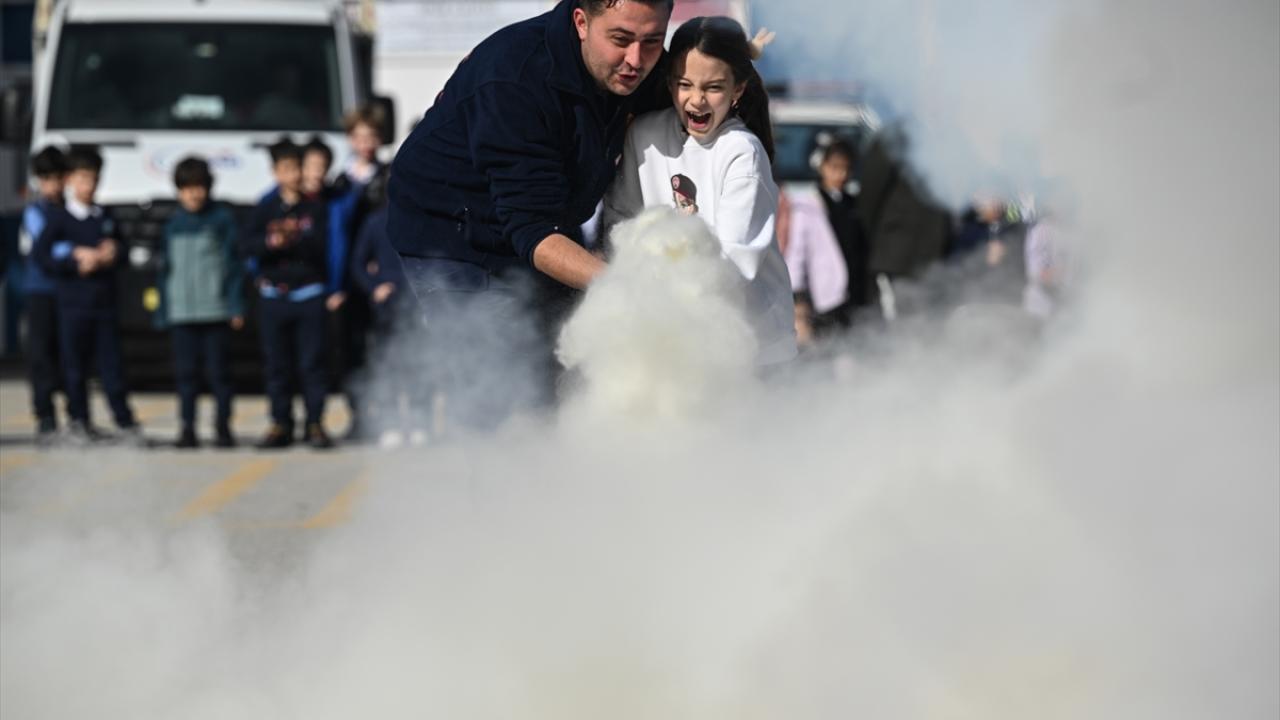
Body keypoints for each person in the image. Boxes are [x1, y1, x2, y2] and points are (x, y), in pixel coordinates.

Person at [386, 0, 673, 429]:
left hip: (544, 223)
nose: (636, 60)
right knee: (504, 386)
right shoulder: (515, 79)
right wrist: (629, 284)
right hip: (455, 238)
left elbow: (702, 79)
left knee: (576, 372)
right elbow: (534, 232)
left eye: (652, 41)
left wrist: (732, 56)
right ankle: (493, 459)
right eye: (621, 39)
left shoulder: (633, 62)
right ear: (581, 22)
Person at [603, 16, 796, 365]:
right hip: (669, 336)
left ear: (738, 90)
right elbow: (620, 221)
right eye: (685, 84)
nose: (696, 100)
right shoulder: (644, 134)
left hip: (753, 347)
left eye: (713, 87)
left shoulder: (741, 151)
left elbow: (734, 261)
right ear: (669, 83)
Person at [33, 146, 142, 446]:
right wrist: (74, 260)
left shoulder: (105, 216)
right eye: (82, 179)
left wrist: (113, 253)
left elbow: (125, 252)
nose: (88, 186)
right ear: (69, 180)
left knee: (112, 366)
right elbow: (41, 256)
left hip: (104, 304)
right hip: (72, 305)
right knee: (74, 367)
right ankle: (79, 421)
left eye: (93, 179)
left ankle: (124, 421)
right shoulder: (59, 219)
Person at [242, 138, 333, 450]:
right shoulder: (264, 208)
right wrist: (272, 242)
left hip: (309, 295)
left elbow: (323, 247)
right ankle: (280, 422)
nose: (292, 174)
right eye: (286, 169)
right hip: (274, 297)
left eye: (297, 168)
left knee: (312, 363)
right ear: (275, 172)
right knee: (277, 365)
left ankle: (315, 422)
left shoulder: (315, 208)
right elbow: (247, 245)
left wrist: (297, 238)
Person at [156, 156, 243, 449]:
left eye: (199, 187)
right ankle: (187, 428)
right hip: (182, 313)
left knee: (220, 374)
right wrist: (163, 310)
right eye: (187, 188)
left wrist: (235, 306)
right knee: (186, 375)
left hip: (215, 311)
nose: (193, 194)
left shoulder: (222, 221)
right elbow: (164, 270)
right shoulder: (173, 224)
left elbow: (233, 267)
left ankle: (223, 427)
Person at [19, 146, 69, 446]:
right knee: (41, 355)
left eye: (58, 178)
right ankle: (45, 415)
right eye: (47, 179)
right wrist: (77, 253)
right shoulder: (35, 211)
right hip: (40, 291)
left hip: (69, 291)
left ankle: (76, 414)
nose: (53, 185)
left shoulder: (73, 209)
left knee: (69, 355)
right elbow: (47, 249)